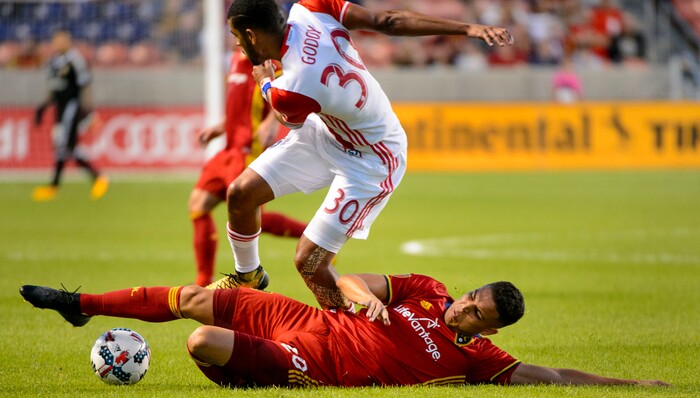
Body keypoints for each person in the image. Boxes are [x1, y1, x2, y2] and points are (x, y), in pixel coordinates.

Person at [213, 0, 516, 310]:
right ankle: (248, 275)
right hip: (328, 133)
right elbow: (387, 20)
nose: (236, 44)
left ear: (251, 36)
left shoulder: (292, 87)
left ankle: (348, 337)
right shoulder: (313, 7)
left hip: (373, 160)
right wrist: (468, 28)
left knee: (310, 262)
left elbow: (282, 112)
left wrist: (264, 81)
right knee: (241, 193)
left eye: (237, 37)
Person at [19, 273, 668, 388]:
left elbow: (550, 375)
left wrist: (629, 380)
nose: (463, 311)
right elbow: (356, 278)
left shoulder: (477, 361)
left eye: (476, 317)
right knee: (196, 297)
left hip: (314, 364)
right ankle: (84, 305)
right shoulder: (429, 291)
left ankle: (254, 377)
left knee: (199, 343)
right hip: (307, 318)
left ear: (484, 331)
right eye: (471, 300)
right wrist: (365, 299)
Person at [190, 46, 307, 287]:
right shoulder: (234, 59)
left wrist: (268, 123)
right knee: (198, 205)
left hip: (249, 150)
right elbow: (238, 105)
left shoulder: (269, 61)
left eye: (237, 31)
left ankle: (311, 238)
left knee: (249, 215)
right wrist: (221, 126)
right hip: (228, 149)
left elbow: (284, 92)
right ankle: (203, 281)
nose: (233, 37)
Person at [32, 30, 109, 202]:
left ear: (68, 41)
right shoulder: (54, 62)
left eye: (61, 40)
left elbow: (85, 86)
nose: (58, 44)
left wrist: (89, 113)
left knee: (67, 146)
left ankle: (97, 179)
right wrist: (42, 109)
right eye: (55, 40)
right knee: (63, 147)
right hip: (58, 110)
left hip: (72, 109)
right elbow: (54, 89)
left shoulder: (75, 60)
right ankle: (55, 186)